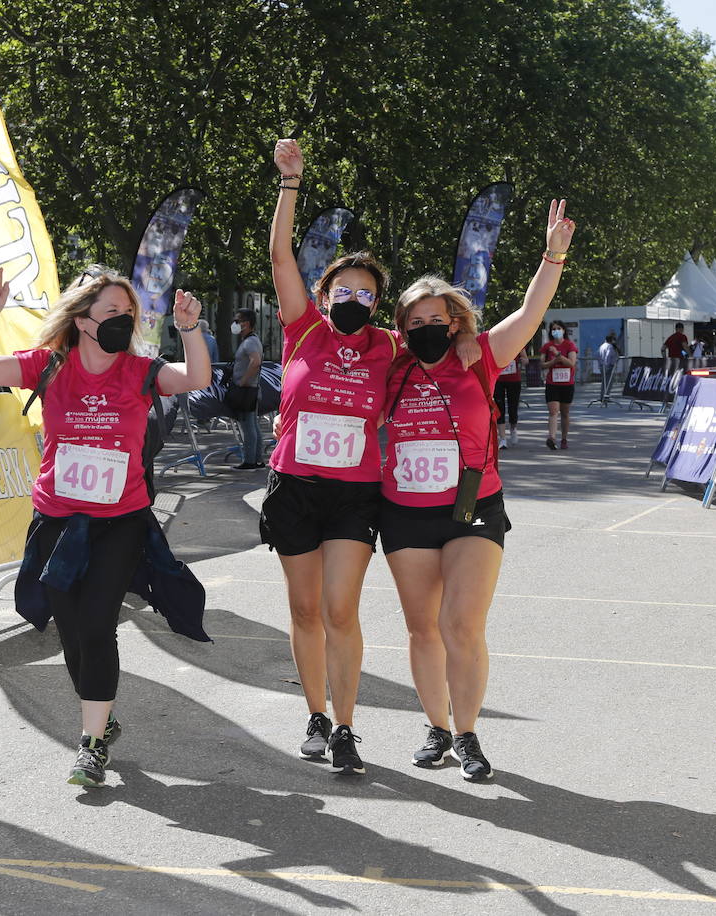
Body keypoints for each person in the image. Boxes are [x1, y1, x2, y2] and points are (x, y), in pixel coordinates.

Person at [263, 137, 479, 775]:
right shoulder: (302, 327)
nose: (354, 300)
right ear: (325, 296)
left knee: (340, 609)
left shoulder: (390, 346)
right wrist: (289, 184)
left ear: (376, 306)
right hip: (294, 485)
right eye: (343, 291)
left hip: (356, 493)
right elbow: (279, 256)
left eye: (366, 294)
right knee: (303, 611)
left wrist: (466, 342)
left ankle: (348, 726)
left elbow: (444, 339)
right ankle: (316, 715)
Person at [0, 265, 212, 786]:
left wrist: (190, 329)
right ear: (82, 321)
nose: (122, 320)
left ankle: (91, 742)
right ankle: (104, 714)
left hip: (120, 519)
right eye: (110, 312)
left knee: (98, 625)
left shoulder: (142, 371)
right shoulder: (50, 367)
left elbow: (196, 379)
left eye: (128, 313)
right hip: (57, 519)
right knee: (72, 632)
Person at [383, 201, 576, 781]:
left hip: (473, 506)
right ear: (402, 328)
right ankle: (436, 727)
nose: (425, 331)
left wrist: (553, 253)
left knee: (461, 625)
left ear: (456, 321)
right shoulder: (390, 363)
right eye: (413, 324)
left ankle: (467, 734)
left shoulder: (481, 356)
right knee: (422, 629)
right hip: (405, 513)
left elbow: (531, 312)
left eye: (435, 321)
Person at [228, 308, 264, 469]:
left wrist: (243, 380)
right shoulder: (252, 340)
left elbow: (255, 362)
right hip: (251, 389)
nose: (235, 324)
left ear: (246, 323)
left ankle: (250, 461)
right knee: (253, 425)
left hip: (247, 390)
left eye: (238, 320)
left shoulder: (250, 342)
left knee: (247, 426)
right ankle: (256, 459)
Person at [540, 319, 577, 449]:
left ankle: (564, 438)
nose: (556, 331)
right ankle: (552, 438)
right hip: (552, 383)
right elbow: (542, 364)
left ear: (564, 330)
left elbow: (571, 363)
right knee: (553, 411)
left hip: (567, 384)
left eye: (558, 328)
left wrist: (558, 355)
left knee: (565, 413)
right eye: (553, 329)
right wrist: (553, 361)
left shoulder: (570, 345)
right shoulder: (547, 346)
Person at [494, 345, 527, 449]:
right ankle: (503, 439)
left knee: (513, 408)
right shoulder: (495, 344)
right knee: (499, 409)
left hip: (514, 380)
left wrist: (523, 360)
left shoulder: (517, 343)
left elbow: (526, 360)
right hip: (498, 380)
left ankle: (513, 429)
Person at [597, 332, 620, 402]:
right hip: (608, 366)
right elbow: (608, 356)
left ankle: (602, 396)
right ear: (611, 340)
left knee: (604, 382)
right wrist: (608, 365)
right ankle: (606, 396)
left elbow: (598, 355)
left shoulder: (602, 346)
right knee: (608, 382)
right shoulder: (609, 346)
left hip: (602, 366)